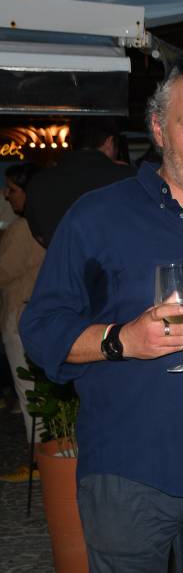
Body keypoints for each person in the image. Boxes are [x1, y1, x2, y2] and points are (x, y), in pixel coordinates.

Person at [20, 59, 183, 572]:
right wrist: (120, 341)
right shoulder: (96, 216)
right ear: (158, 129)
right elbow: (41, 329)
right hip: (132, 475)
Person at [24, 116, 135, 248]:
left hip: (62, 259)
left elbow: (40, 236)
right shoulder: (129, 178)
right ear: (109, 142)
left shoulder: (38, 183)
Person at [0, 164, 46, 452]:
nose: (7, 195)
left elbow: (3, 271)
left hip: (20, 314)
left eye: (12, 189)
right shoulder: (49, 219)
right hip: (39, 312)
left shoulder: (22, 228)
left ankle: (41, 454)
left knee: (28, 389)